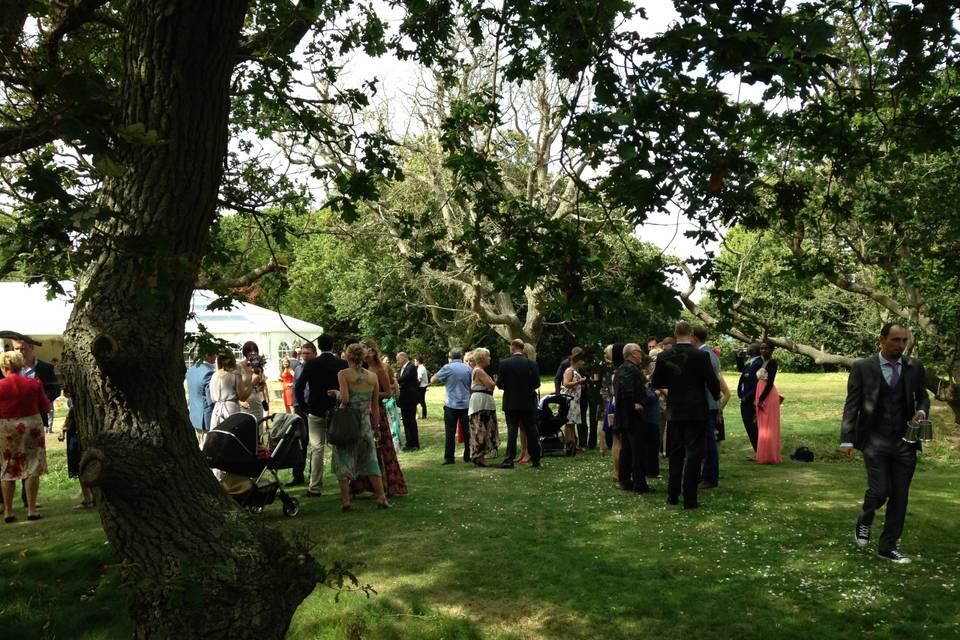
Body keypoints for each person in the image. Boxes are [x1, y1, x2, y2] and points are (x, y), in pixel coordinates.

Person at [841, 323, 930, 564]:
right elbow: (852, 405)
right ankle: (865, 517)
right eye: (896, 340)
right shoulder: (862, 367)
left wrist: (922, 411)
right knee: (880, 491)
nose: (901, 345)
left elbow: (923, 396)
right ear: (882, 340)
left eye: (904, 340)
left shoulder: (914, 367)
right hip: (874, 440)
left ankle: (888, 546)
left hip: (905, 441)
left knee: (900, 496)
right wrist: (847, 439)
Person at [652, 321, 720, 509]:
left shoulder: (665, 355)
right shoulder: (702, 355)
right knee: (693, 454)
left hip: (675, 409)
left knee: (675, 453)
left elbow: (657, 381)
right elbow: (712, 382)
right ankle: (690, 499)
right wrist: (716, 397)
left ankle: (672, 495)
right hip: (697, 410)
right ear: (691, 333)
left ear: (675, 334)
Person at [330, 343, 391, 511]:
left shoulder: (343, 374)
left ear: (347, 357)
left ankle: (346, 501)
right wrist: (376, 427)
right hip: (365, 423)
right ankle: (381, 497)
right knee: (371, 460)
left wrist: (336, 393)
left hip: (347, 423)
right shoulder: (372, 377)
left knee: (343, 459)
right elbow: (376, 406)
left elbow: (345, 400)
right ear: (363, 357)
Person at [1, 351, 51, 523]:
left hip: (7, 428)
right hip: (32, 426)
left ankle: (8, 511)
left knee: (8, 467)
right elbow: (46, 406)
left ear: (3, 367)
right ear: (22, 366)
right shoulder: (34, 383)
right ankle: (31, 509)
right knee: (32, 466)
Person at [352, 340, 408, 496]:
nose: (361, 352)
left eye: (363, 349)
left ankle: (387, 485)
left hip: (377, 412)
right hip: (363, 411)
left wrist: (371, 394)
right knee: (364, 448)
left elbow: (387, 393)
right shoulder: (361, 369)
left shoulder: (379, 370)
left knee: (381, 447)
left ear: (371, 351)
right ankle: (366, 484)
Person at [295, 335, 347, 497]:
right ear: (333, 345)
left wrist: (304, 407)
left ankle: (315, 486)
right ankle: (347, 484)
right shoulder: (341, 364)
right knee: (340, 447)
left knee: (317, 449)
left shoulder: (312, 364)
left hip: (316, 409)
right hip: (337, 409)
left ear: (319, 346)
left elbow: (299, 387)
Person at [497, 339, 542, 469]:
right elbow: (537, 383)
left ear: (512, 349)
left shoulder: (504, 364)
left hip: (511, 402)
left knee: (512, 430)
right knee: (531, 430)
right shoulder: (531, 364)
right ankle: (536, 459)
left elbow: (500, 384)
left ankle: (508, 459)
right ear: (522, 349)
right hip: (528, 401)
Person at [615, 344, 655, 493]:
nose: (642, 354)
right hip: (632, 416)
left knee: (626, 449)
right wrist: (634, 404)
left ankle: (625, 480)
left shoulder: (622, 368)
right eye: (639, 351)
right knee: (638, 450)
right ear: (633, 354)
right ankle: (639, 484)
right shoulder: (629, 369)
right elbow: (627, 390)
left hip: (624, 416)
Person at [691, 326, 723, 488]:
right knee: (706, 442)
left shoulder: (705, 355)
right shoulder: (710, 354)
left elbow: (710, 384)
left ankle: (709, 477)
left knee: (709, 443)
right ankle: (706, 476)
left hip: (706, 404)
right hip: (710, 403)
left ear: (695, 338)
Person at [432, 347, 472, 465]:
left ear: (450, 357)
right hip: (466, 404)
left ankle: (449, 457)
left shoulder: (447, 368)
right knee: (467, 431)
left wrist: (446, 379)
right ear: (461, 356)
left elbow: (433, 380)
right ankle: (467, 455)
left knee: (450, 432)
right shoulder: (468, 368)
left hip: (451, 404)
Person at [11, 338, 60, 433]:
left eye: (22, 348)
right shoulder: (8, 369)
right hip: (12, 419)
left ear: (31, 347)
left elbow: (55, 390)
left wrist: (41, 400)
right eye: (16, 349)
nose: (19, 352)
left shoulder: (46, 368)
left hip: (37, 418)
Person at [288, 342, 318, 487]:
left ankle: (314, 474)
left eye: (308, 353)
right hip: (300, 408)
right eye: (303, 353)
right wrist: (294, 407)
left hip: (314, 407)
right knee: (300, 442)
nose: (304, 356)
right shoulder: (298, 369)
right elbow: (295, 389)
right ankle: (298, 475)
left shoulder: (318, 368)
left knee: (315, 443)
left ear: (314, 353)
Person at [59, 392, 95, 509]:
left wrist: (62, 430)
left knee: (81, 468)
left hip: (76, 438)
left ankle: (88, 499)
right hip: (88, 437)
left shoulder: (75, 404)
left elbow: (69, 420)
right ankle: (92, 498)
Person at [467, 348, 499, 466]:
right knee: (481, 428)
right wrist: (494, 381)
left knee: (483, 428)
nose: (489, 358)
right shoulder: (479, 371)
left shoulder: (479, 370)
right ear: (481, 359)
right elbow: (490, 385)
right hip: (481, 402)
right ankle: (479, 456)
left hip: (483, 400)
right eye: (488, 356)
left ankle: (480, 455)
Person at [755, 341, 783, 465]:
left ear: (772, 350)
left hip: (768, 395)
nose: (763, 351)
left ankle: (771, 456)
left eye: (766, 348)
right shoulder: (763, 362)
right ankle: (763, 455)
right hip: (761, 393)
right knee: (762, 426)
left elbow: (770, 382)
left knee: (769, 425)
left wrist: (761, 399)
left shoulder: (772, 362)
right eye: (761, 348)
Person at [208, 350, 249, 429]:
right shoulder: (235, 374)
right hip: (231, 410)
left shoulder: (214, 375)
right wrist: (252, 384)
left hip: (217, 411)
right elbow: (242, 397)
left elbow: (212, 399)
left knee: (218, 436)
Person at [185, 350, 216, 447]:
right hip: (205, 418)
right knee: (206, 448)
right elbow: (211, 398)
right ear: (207, 356)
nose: (216, 357)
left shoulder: (191, 370)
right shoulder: (209, 372)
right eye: (215, 354)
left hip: (193, 415)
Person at [736, 343, 763, 451]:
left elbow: (758, 383)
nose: (747, 348)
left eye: (749, 347)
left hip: (750, 399)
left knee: (752, 425)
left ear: (754, 350)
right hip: (745, 397)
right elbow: (742, 370)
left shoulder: (758, 363)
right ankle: (757, 450)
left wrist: (748, 396)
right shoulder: (751, 363)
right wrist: (739, 358)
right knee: (749, 425)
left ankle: (759, 450)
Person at [562, 354, 589, 456]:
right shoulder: (569, 371)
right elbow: (566, 383)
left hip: (576, 401)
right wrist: (578, 382)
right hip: (570, 401)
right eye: (581, 361)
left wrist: (580, 387)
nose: (583, 363)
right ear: (577, 362)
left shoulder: (576, 372)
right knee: (569, 424)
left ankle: (573, 445)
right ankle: (569, 445)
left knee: (572, 423)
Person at [396, 352, 421, 450]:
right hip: (403, 399)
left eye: (398, 359)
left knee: (411, 421)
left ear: (403, 358)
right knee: (406, 421)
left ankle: (415, 444)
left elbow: (404, 378)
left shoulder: (411, 367)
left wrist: (394, 380)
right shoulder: (401, 369)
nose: (397, 361)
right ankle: (409, 442)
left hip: (410, 398)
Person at [239, 341, 267, 422]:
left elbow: (261, 388)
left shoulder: (258, 366)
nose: (253, 352)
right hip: (245, 405)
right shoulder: (239, 367)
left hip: (257, 403)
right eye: (250, 351)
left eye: (255, 350)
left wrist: (262, 383)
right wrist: (240, 402)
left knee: (259, 430)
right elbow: (233, 387)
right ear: (245, 352)